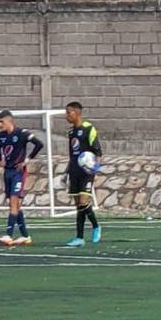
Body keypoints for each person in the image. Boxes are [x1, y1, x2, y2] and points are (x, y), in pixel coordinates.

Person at [0, 110, 43, 246]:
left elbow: (39, 144)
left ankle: (9, 235)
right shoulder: (1, 136)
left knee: (13, 202)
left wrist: (26, 160)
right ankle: (25, 235)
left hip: (18, 172)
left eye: (1, 122)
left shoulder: (22, 134)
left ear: (10, 121)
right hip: (7, 172)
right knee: (15, 204)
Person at [64, 102, 102, 247]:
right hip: (74, 171)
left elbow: (98, 151)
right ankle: (79, 237)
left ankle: (96, 226)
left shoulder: (89, 129)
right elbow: (72, 155)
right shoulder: (71, 132)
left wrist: (95, 169)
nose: (66, 116)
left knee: (83, 202)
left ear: (77, 113)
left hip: (86, 172)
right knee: (78, 206)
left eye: (69, 113)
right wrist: (66, 172)